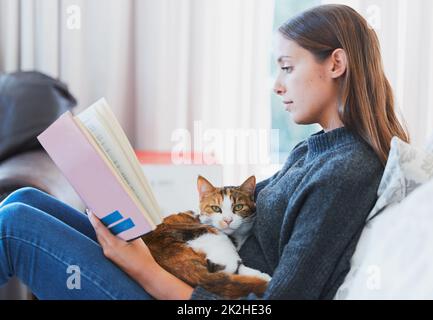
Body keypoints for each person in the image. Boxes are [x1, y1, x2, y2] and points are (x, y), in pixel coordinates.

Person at [0, 4, 409, 300]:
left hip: (177, 297)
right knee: (24, 199)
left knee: (14, 223)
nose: (277, 85)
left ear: (336, 63)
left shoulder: (347, 170)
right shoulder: (314, 152)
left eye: (287, 67)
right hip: (182, 274)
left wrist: (142, 268)